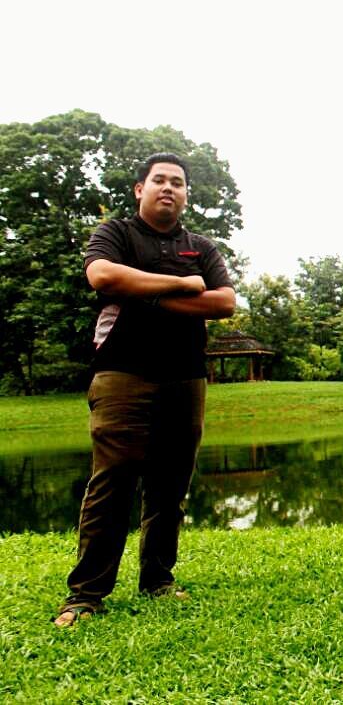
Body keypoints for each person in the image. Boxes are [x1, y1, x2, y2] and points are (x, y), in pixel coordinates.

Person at [53, 153, 237, 627]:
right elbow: (104, 276)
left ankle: (157, 579)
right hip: (122, 372)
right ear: (140, 189)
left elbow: (223, 302)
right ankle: (86, 594)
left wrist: (148, 293)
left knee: (170, 485)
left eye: (177, 182)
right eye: (159, 180)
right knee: (112, 480)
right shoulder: (115, 234)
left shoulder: (201, 245)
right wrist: (180, 286)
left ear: (186, 193)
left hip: (186, 375)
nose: (168, 188)